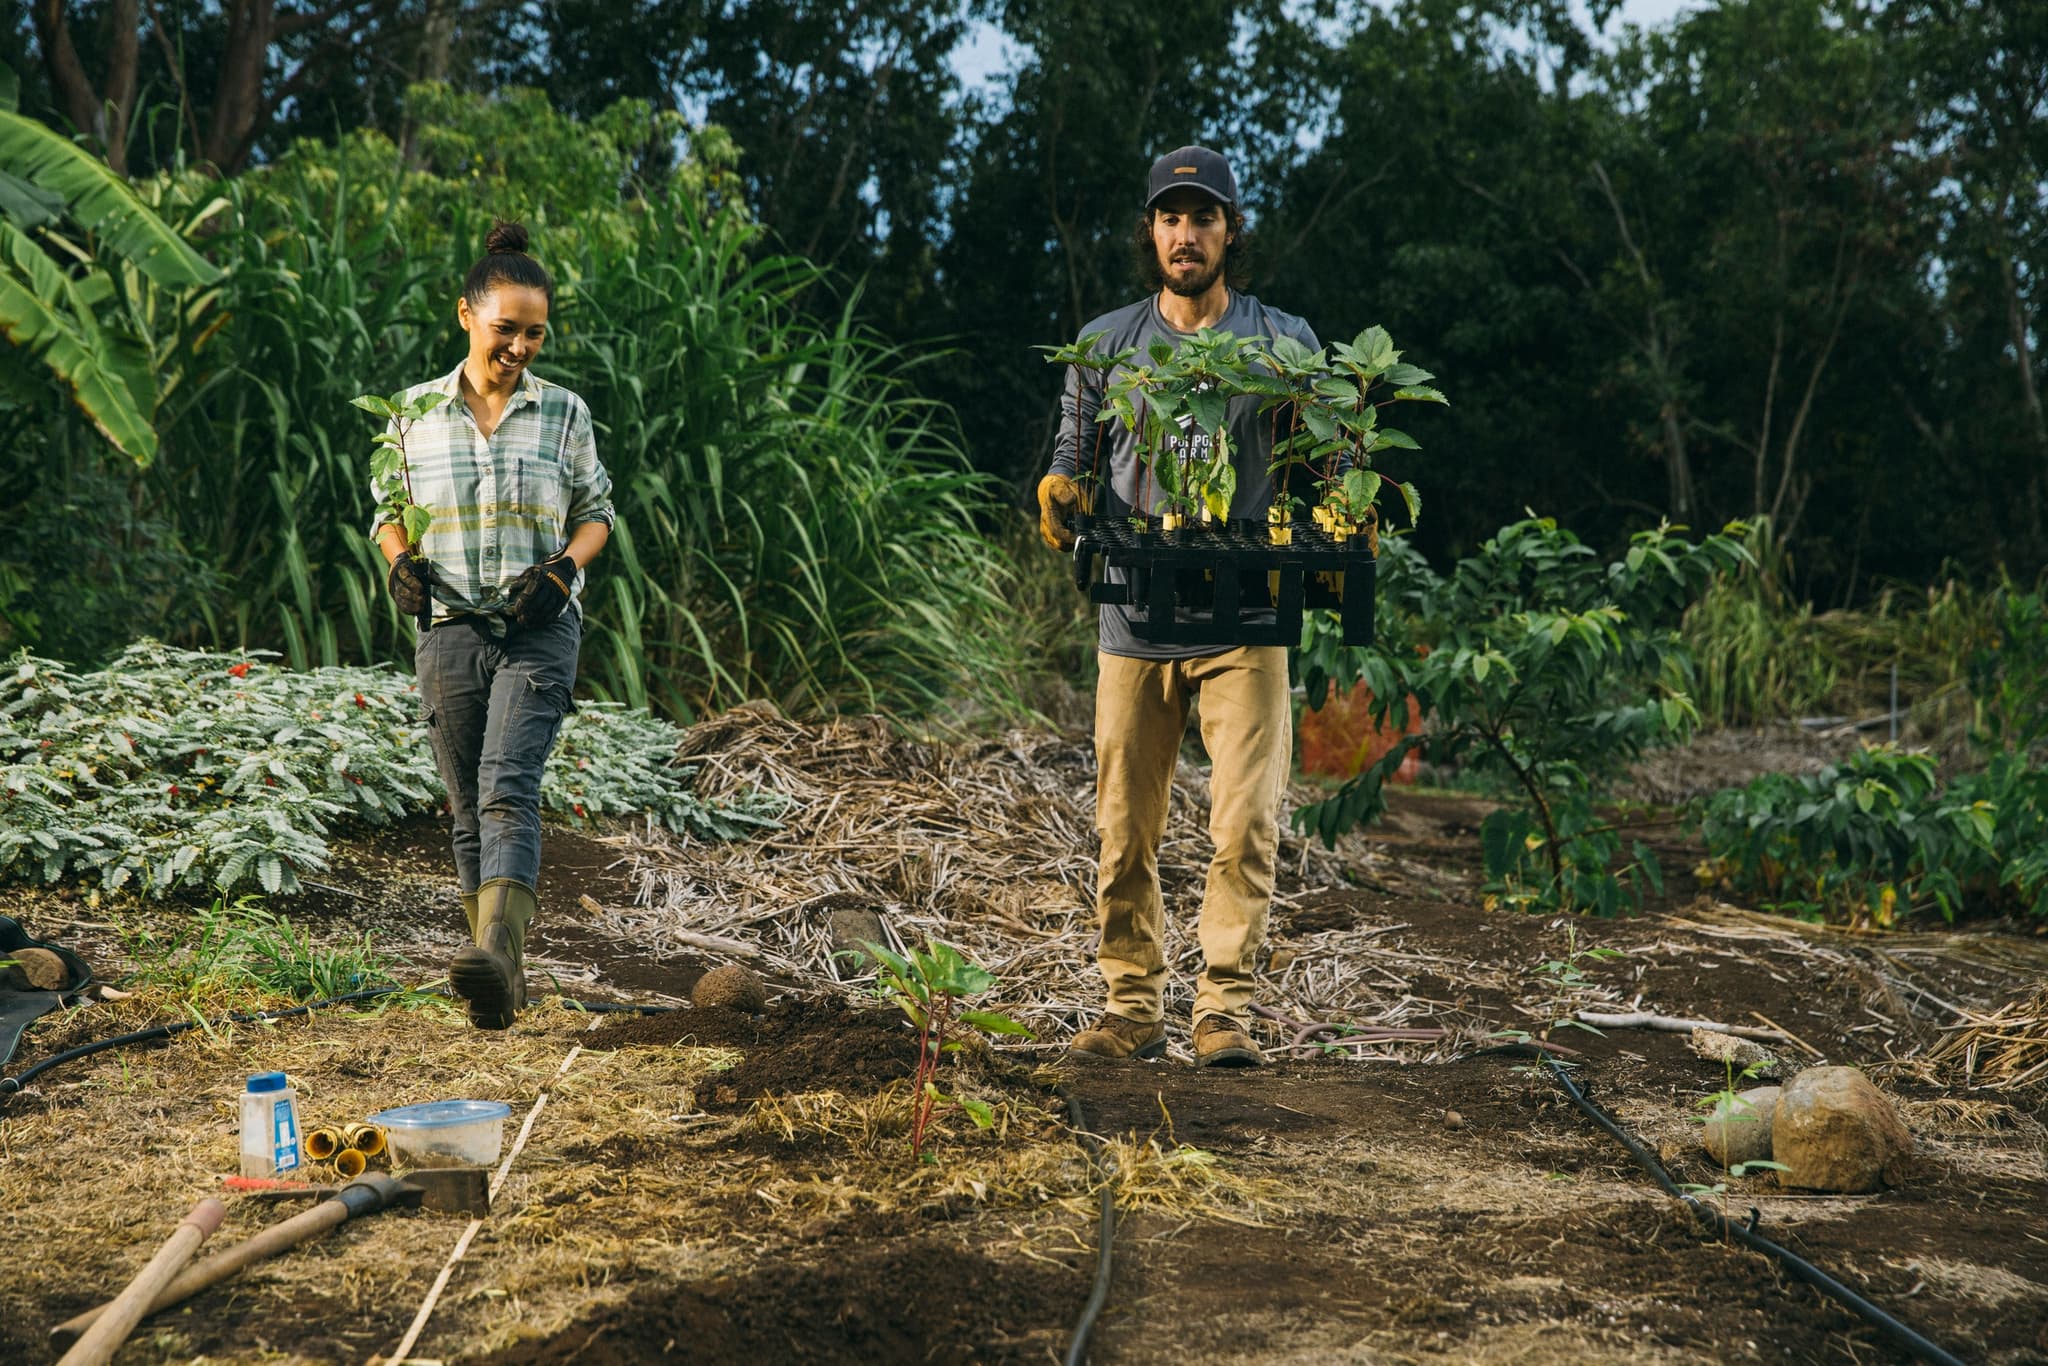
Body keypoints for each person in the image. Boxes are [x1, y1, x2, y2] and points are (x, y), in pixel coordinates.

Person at [1037, 146, 1317, 1068]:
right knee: (1125, 830)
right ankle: (1131, 1006)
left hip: (1247, 618)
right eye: (1169, 217)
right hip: (1137, 618)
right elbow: (1074, 456)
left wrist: (1347, 504)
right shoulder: (1106, 345)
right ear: (1150, 231)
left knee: (1243, 824)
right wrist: (1060, 490)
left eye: (1202, 217)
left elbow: (1330, 460)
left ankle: (1223, 1009)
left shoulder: (1284, 343)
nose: (1184, 234)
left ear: (1233, 230)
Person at [374, 220, 615, 1030]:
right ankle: (497, 988)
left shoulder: (564, 413)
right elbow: (386, 514)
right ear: (466, 316)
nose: (521, 346)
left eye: (535, 332)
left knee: (509, 784)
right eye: (507, 328)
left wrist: (565, 569)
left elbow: (597, 513)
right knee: (468, 805)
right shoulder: (409, 415)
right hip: (449, 629)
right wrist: (400, 562)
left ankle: (499, 959)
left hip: (539, 627)